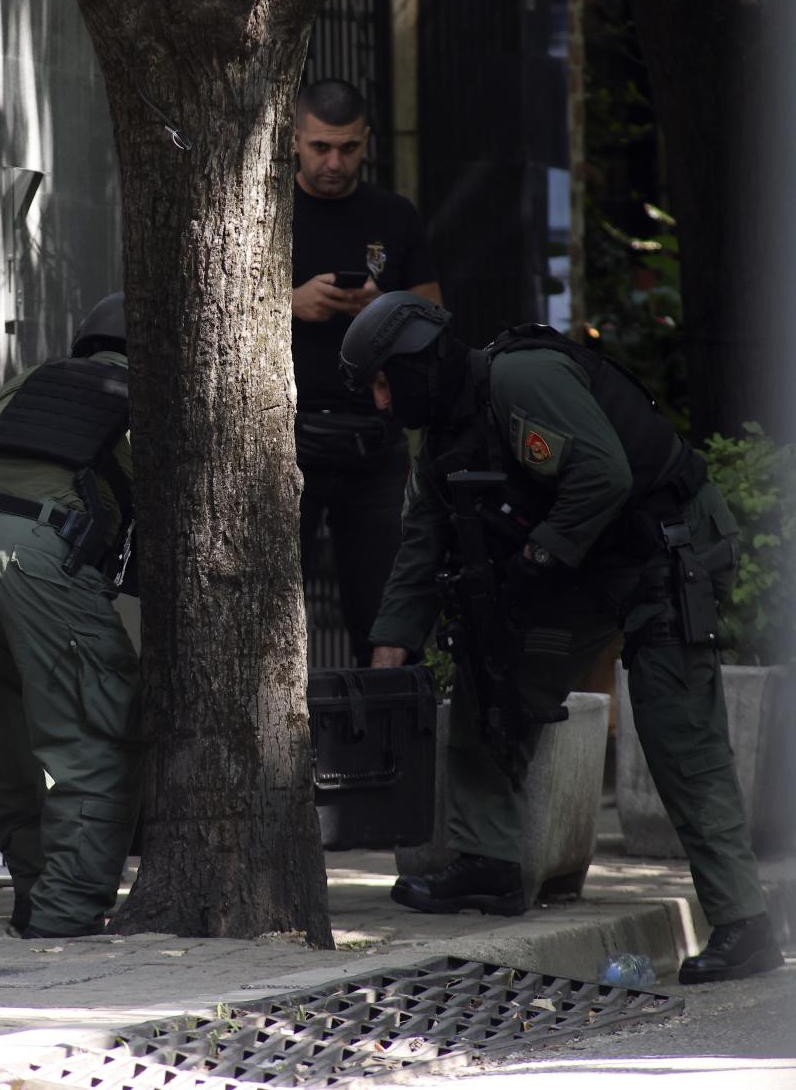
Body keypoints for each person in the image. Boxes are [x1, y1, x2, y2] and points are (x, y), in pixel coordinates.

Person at [338, 292, 783, 985]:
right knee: (494, 671)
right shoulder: (445, 443)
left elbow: (602, 476)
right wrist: (389, 651)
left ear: (419, 364)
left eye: (385, 381)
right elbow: (420, 547)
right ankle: (488, 864)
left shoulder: (520, 379)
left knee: (675, 731)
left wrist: (532, 564)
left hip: (664, 547)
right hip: (589, 562)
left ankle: (745, 923)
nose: (382, 401)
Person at [0, 293, 142, 939]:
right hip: (34, 553)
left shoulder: (26, 384)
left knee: (2, 731)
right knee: (97, 733)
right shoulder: (144, 405)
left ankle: (31, 891)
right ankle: (66, 915)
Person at [292, 78, 442, 666]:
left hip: (373, 440)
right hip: (285, 435)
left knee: (382, 615)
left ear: (367, 142)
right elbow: (215, 310)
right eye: (320, 147)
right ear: (295, 140)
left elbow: (435, 319)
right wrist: (291, 302)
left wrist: (387, 307)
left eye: (348, 148)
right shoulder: (264, 211)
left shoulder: (392, 215)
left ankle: (383, 740)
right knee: (272, 608)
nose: (334, 162)